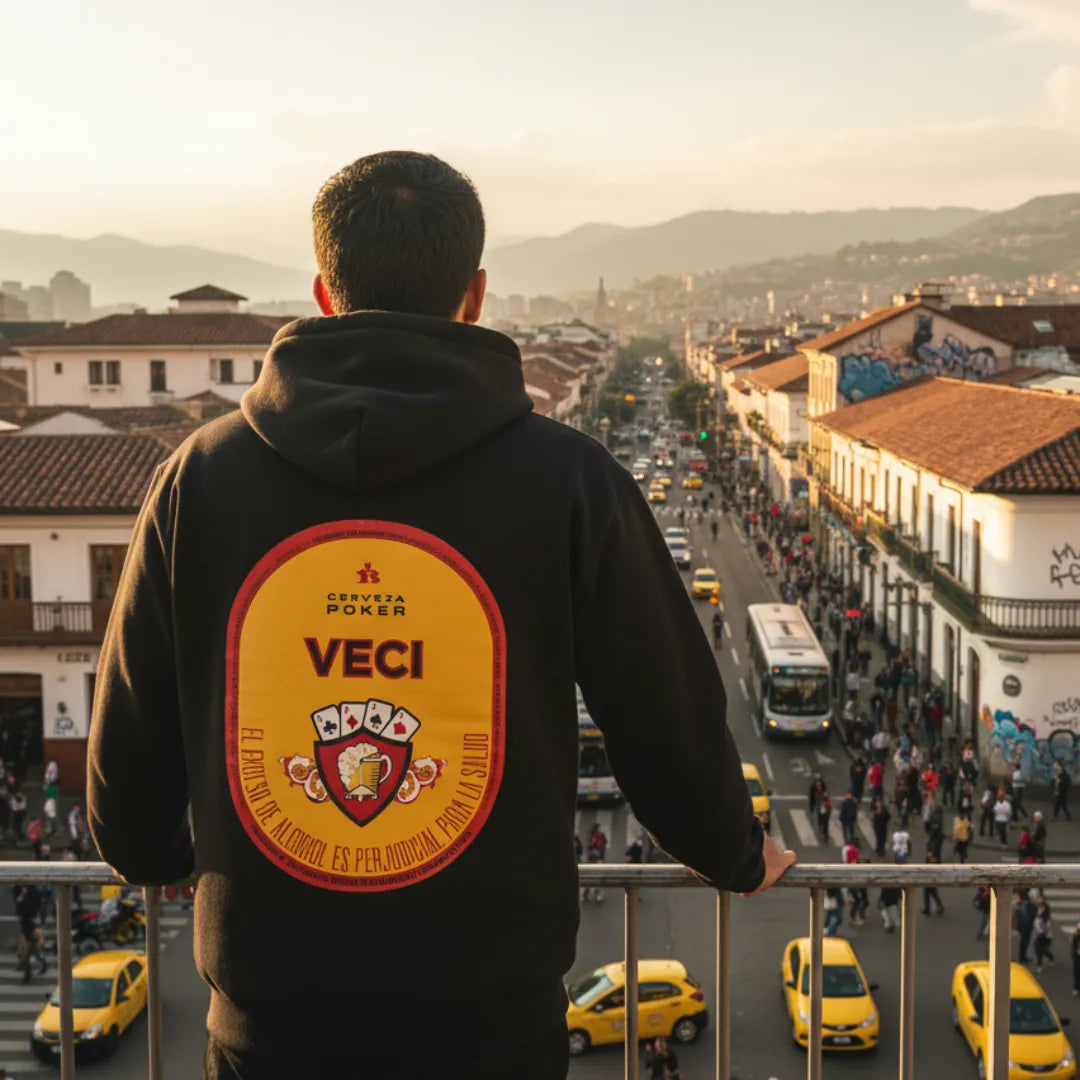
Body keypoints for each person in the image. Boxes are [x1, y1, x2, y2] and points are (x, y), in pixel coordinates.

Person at [87, 150, 795, 1080]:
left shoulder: (201, 478)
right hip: (493, 1023)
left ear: (324, 292)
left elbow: (133, 727)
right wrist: (735, 850)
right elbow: (661, 706)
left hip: (268, 1020)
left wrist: (152, 851)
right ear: (476, 295)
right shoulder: (570, 481)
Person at [1017, 892, 1037, 965]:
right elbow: (1033, 915)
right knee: (1024, 943)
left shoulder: (1022, 905)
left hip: (1023, 927)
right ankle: (1022, 957)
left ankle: (1022, 957)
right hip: (1026, 927)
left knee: (1023, 943)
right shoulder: (1029, 906)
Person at [922, 852, 945, 916]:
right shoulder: (932, 861)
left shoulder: (933, 863)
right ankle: (929, 908)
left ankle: (929, 909)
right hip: (931, 880)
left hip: (930, 880)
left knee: (931, 894)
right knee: (931, 894)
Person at [1034, 902, 1054, 972]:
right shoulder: (1038, 916)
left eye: (1041, 908)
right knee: (1039, 951)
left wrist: (1042, 932)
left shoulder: (1046, 918)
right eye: (1039, 908)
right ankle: (1040, 965)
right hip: (1039, 936)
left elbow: (1047, 927)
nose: (1039, 909)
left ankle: (1050, 957)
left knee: (1042, 950)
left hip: (1046, 937)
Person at [1071, 920, 1080, 997]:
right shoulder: (1076, 936)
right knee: (1077, 972)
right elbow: (1073, 946)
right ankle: (1076, 988)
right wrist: (1074, 954)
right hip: (1077, 956)